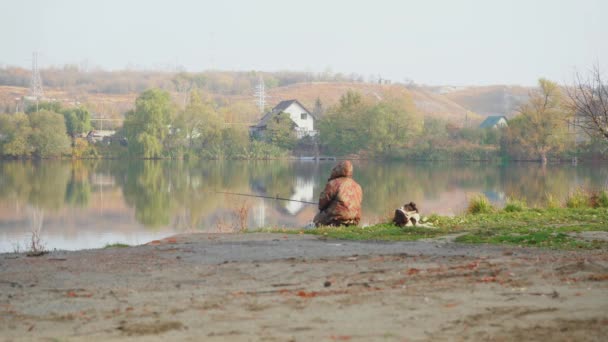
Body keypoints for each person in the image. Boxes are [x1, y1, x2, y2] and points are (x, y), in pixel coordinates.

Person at [313, 160, 363, 227]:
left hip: (337, 218)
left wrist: (323, 208)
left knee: (317, 218)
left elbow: (322, 204)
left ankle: (319, 232)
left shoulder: (333, 183)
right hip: (355, 219)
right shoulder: (358, 186)